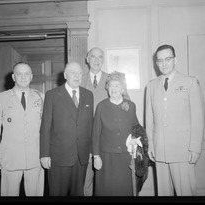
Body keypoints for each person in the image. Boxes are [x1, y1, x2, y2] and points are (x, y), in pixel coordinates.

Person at [145, 44, 205, 196]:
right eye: (160, 60)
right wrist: (150, 145)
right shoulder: (151, 86)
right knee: (164, 193)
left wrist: (195, 147)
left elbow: (198, 118)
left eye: (167, 59)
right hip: (160, 149)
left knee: (186, 193)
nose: (163, 63)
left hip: (183, 150)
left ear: (175, 60)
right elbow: (149, 120)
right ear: (156, 63)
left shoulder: (190, 82)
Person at [0, 62, 45, 196]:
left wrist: (46, 154)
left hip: (35, 157)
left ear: (31, 76)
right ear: (14, 77)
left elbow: (46, 128)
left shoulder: (41, 97)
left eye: (26, 74)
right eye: (19, 74)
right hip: (10, 158)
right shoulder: (1, 99)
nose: (23, 77)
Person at [81, 47, 131, 196]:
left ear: (103, 60)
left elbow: (127, 102)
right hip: (84, 138)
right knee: (85, 180)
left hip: (107, 140)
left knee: (107, 182)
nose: (97, 60)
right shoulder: (79, 78)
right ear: (87, 59)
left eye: (100, 57)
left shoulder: (112, 80)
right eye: (93, 57)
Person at [40, 62, 94, 196]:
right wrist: (44, 154)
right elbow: (45, 126)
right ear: (65, 75)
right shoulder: (52, 95)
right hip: (58, 156)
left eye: (80, 73)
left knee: (78, 193)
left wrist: (91, 150)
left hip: (81, 156)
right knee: (57, 193)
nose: (77, 76)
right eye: (73, 73)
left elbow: (90, 126)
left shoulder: (88, 95)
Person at [92, 71, 142, 196]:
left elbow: (136, 130)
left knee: (124, 190)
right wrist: (96, 157)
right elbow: (95, 133)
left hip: (125, 157)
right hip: (106, 157)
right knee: (106, 191)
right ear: (107, 88)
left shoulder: (130, 105)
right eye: (111, 85)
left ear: (123, 88)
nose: (113, 89)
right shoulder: (101, 106)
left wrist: (135, 156)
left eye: (117, 85)